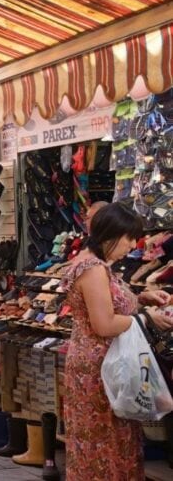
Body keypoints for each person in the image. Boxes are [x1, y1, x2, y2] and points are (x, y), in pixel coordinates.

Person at [60, 202, 173, 478]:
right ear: (112, 234)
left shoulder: (96, 264)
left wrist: (140, 298)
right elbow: (105, 324)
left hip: (104, 362)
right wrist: (147, 317)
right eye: (129, 238)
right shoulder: (92, 268)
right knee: (103, 442)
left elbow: (109, 305)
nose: (133, 245)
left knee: (110, 438)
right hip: (101, 367)